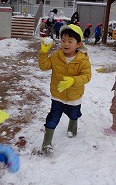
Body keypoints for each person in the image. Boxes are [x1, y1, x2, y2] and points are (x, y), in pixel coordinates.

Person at [38, 24, 92, 154]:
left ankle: (72, 127)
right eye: (63, 40)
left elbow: (87, 76)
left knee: (74, 114)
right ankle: (46, 143)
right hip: (58, 94)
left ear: (78, 44)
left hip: (74, 96)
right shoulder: (57, 56)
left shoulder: (82, 60)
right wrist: (44, 52)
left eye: (70, 41)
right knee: (52, 118)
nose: (66, 44)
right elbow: (44, 66)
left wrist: (74, 80)